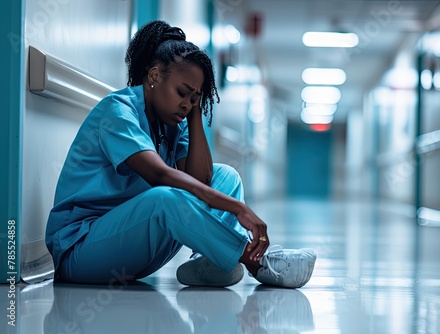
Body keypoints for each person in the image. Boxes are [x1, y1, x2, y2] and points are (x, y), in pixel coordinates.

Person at [45, 20, 316, 288]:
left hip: (133, 249)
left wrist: (196, 110)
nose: (186, 104)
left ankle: (208, 259)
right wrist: (238, 207)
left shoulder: (175, 122)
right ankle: (254, 261)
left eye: (194, 97)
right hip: (81, 251)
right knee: (164, 197)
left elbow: (203, 178)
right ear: (153, 77)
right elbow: (159, 174)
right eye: (182, 93)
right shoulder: (117, 110)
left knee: (226, 176)